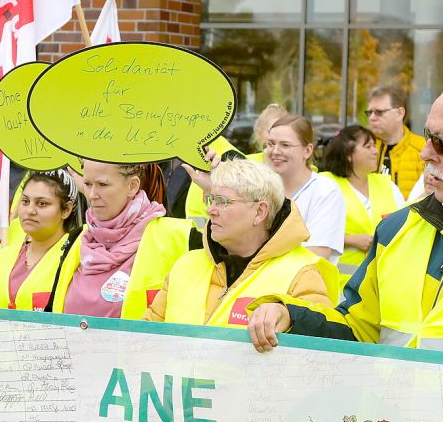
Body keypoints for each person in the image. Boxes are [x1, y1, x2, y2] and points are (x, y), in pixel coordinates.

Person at [247, 84, 443, 375]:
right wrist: (291, 316)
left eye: (441, 142)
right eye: (426, 136)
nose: (425, 153)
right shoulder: (398, 228)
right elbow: (358, 329)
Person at [146, 158, 338, 326]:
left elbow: (319, 346)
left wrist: (288, 316)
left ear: (260, 212)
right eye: (211, 199)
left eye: (222, 201)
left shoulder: (302, 273)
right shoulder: (185, 265)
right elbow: (146, 336)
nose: (210, 210)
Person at [50, 162, 194, 319]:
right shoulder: (76, 238)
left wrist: (213, 191)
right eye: (88, 184)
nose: (92, 195)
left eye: (103, 184)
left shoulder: (177, 235)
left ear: (132, 186)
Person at [0, 170, 83, 310]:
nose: (30, 210)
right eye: (25, 201)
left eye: (42, 203)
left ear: (66, 210)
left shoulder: (79, 256)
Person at [319, 126, 404, 283]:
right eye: (368, 146)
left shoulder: (386, 184)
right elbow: (308, 232)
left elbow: (406, 224)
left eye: (374, 145)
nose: (376, 151)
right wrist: (350, 240)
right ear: (348, 154)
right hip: (339, 288)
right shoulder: (325, 184)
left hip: (383, 283)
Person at [264, 114, 345, 261]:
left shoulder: (325, 192)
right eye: (270, 144)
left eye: (285, 145)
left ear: (307, 151)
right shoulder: (260, 188)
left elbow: (316, 255)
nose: (275, 151)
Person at [365, 85, 425, 197]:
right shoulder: (364, 149)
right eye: (369, 112)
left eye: (379, 112)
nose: (372, 117)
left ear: (400, 113)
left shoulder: (422, 149)